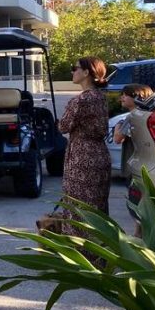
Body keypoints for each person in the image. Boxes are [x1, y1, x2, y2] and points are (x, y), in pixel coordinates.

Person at [57, 57, 111, 232]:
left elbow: (63, 127)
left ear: (87, 72)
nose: (72, 72)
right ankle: (100, 253)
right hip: (100, 154)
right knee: (97, 207)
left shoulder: (80, 100)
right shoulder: (101, 97)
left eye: (75, 68)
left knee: (77, 209)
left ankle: (81, 253)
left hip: (81, 157)